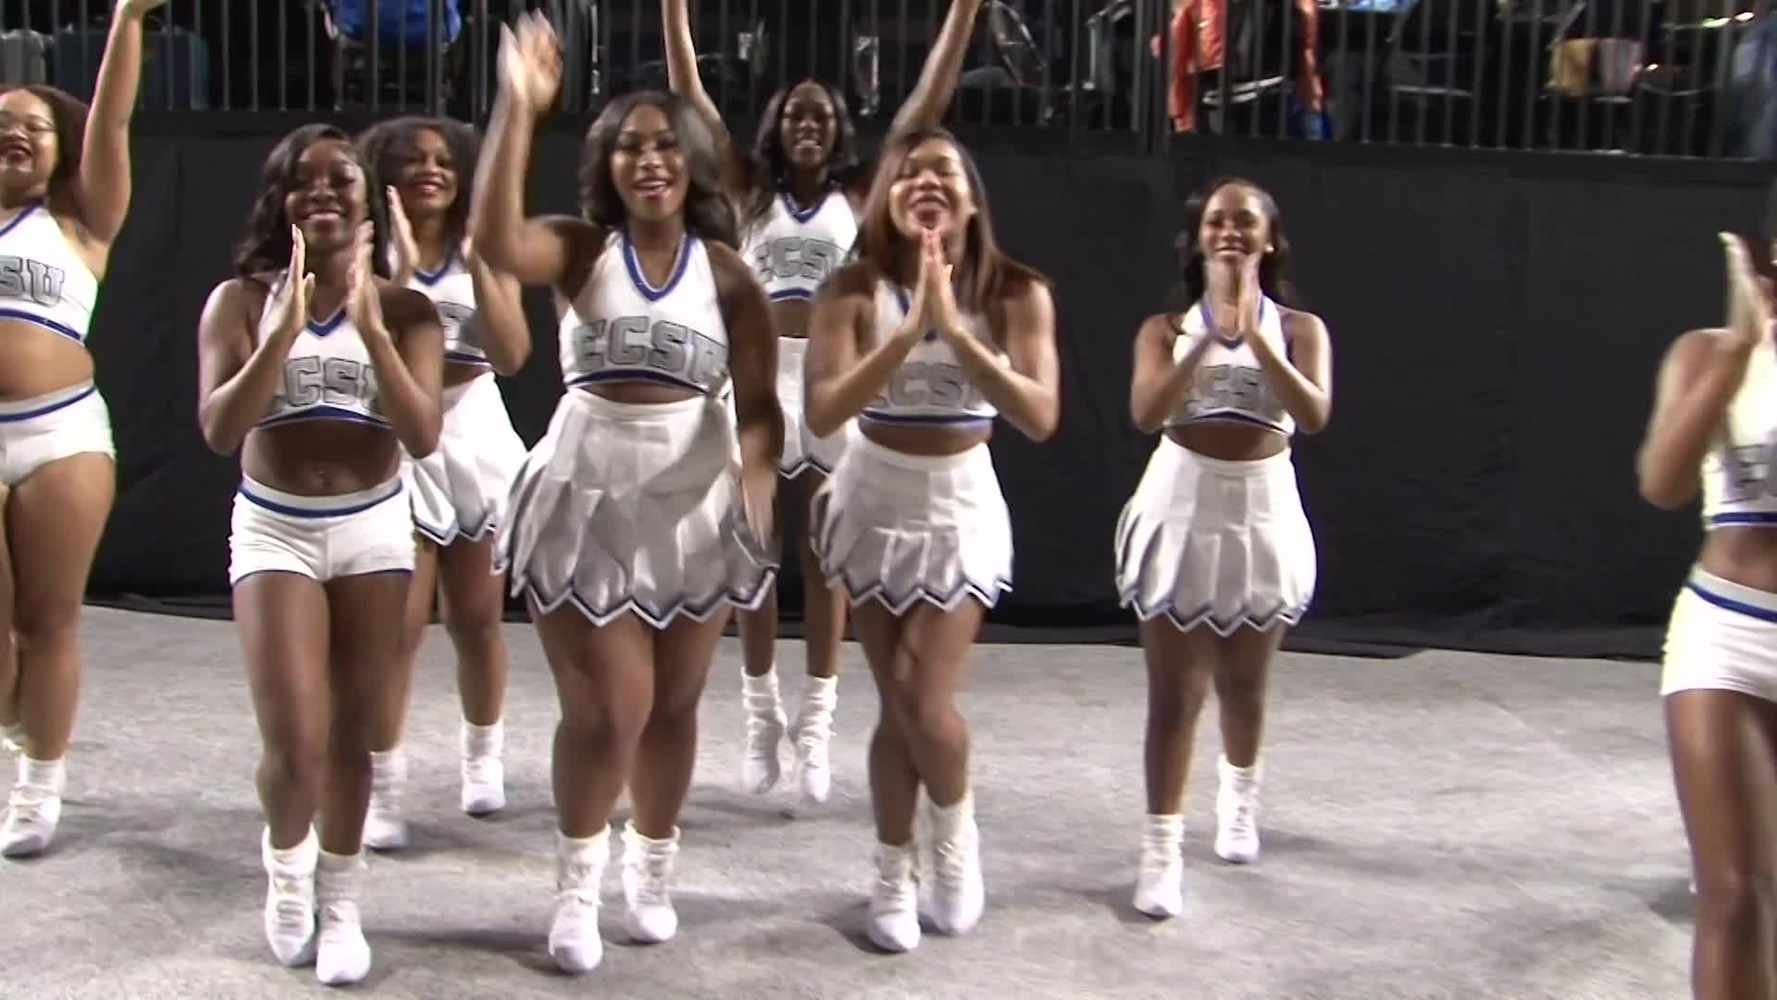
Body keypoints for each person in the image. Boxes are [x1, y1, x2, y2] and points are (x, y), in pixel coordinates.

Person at [470, 14, 781, 974]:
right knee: (609, 711)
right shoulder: (578, 249)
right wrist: (518, 108)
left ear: (692, 163)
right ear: (607, 166)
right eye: (629, 147)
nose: (649, 161)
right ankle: (576, 887)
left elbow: (762, 410)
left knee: (674, 707)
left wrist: (755, 490)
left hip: (691, 503)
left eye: (665, 145)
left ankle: (653, 862)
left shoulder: (728, 276)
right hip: (588, 488)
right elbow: (493, 240)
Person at [663, 0, 985, 806]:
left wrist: (962, 15)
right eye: (794, 114)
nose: (807, 124)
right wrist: (673, 14)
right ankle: (760, 712)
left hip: (831, 374)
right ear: (775, 126)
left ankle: (815, 721)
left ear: (838, 130)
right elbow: (691, 98)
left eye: (821, 116)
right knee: (753, 544)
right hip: (759, 374)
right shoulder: (747, 189)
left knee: (826, 554)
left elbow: (923, 109)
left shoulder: (860, 193)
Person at [195, 123, 444, 984]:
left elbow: (422, 434)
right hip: (276, 526)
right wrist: (280, 333)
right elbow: (220, 428)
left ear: (369, 201)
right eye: (305, 180)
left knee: (354, 734)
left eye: (343, 179)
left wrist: (372, 330)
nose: (324, 192)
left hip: (373, 526)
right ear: (282, 201)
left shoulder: (408, 312)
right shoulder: (237, 301)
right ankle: (286, 866)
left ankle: (340, 904)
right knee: (296, 740)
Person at [802, 125, 1060, 952]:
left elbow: (1039, 415)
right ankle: (891, 871)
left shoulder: (1017, 292)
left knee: (923, 698)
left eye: (942, 171)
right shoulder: (849, 289)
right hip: (873, 494)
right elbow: (823, 411)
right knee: (895, 706)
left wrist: (955, 327)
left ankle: (951, 837)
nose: (924, 182)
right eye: (906, 172)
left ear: (970, 200)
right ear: (885, 200)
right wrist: (907, 331)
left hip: (958, 501)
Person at [1115, 178, 1332, 919]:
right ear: (1199, 238)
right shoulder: (1162, 329)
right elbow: (1146, 412)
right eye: (1217, 221)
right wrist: (1207, 336)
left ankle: (1238, 799)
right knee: (1175, 695)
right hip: (1182, 499)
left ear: (1269, 240)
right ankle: (1161, 851)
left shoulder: (1300, 328)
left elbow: (1314, 413)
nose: (1231, 231)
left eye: (1245, 221)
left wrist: (1256, 337)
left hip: (1261, 505)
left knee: (1243, 684)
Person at [0, 0, 168, 858]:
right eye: (3, 122)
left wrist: (127, 20)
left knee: (49, 620)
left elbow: (113, 121)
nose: (17, 132)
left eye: (36, 125)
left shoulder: (79, 221)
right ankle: (17, 723)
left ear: (60, 149)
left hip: (59, 434)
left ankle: (39, 780)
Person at [353, 115, 532, 851]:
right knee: (396, 628)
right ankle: (382, 786)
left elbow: (513, 354)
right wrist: (395, 273)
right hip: (397, 440)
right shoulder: (362, 247)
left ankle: (483, 755)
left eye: (444, 161)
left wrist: (484, 259)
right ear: (384, 172)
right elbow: (361, 348)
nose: (431, 169)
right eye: (413, 158)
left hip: (475, 432)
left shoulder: (484, 248)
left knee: (477, 618)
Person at [1636, 226, 1777, 1000]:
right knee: (1732, 895)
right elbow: (1662, 482)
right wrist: (1737, 350)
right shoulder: (1706, 350)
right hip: (1726, 632)